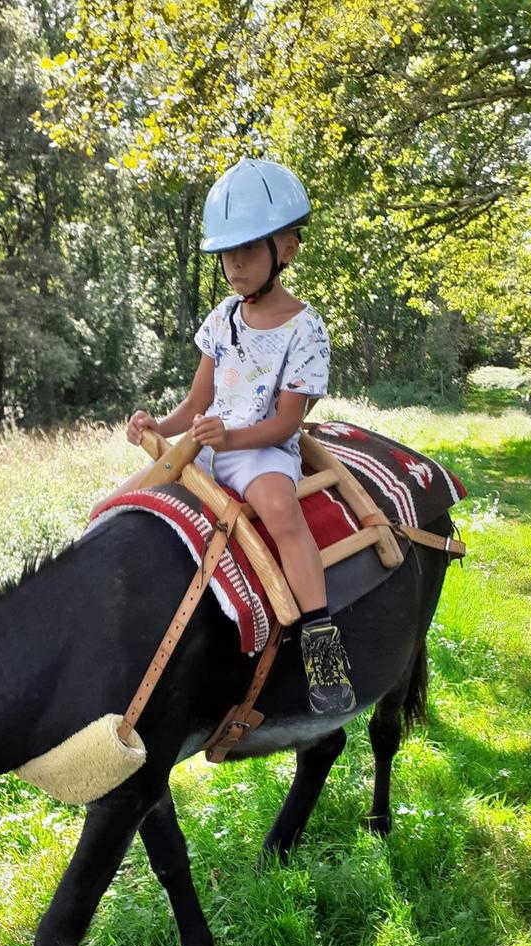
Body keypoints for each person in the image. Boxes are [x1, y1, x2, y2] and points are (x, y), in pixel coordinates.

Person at [127, 157, 356, 716]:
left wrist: (230, 440)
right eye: (227, 252)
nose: (234, 264)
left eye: (249, 250)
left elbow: (287, 423)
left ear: (287, 249)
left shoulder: (305, 329)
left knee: (282, 511)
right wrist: (159, 426)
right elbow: (195, 404)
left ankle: (320, 642)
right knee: (128, 500)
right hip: (206, 446)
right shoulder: (222, 319)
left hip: (260, 450)